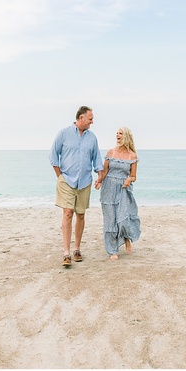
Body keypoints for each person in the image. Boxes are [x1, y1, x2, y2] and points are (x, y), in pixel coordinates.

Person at [50, 106, 104, 267]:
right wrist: (60, 176)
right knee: (68, 213)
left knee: (80, 214)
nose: (92, 122)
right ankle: (66, 253)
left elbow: (97, 158)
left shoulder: (92, 138)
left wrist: (100, 175)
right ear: (81, 118)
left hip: (85, 181)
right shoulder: (63, 134)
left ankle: (77, 249)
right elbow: (53, 155)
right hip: (66, 180)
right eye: (90, 119)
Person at [94, 127, 141, 260]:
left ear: (126, 136)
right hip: (108, 188)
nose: (117, 135)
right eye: (117, 133)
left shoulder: (132, 156)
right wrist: (99, 180)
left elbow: (134, 176)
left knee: (123, 218)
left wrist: (128, 180)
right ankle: (112, 250)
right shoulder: (111, 152)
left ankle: (126, 239)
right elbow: (104, 171)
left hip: (123, 189)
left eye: (120, 133)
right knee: (110, 220)